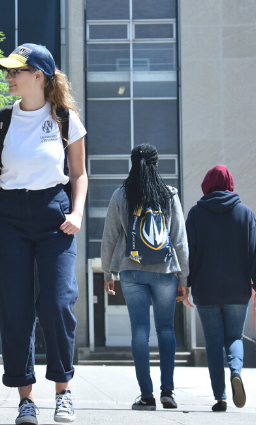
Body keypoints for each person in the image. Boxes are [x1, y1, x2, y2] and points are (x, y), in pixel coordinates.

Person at [0, 43, 88, 425]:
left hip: (55, 213)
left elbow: (80, 174)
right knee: (15, 309)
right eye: (8, 70)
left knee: (56, 303)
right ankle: (25, 399)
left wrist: (78, 211)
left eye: (16, 71)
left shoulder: (66, 119)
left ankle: (63, 391)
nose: (9, 76)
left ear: (38, 76)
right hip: (9, 217)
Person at [101, 143, 190, 411]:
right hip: (164, 272)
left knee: (139, 330)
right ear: (156, 164)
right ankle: (168, 393)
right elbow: (180, 240)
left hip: (131, 270)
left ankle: (146, 395)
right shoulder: (169, 194)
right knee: (165, 329)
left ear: (132, 163)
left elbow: (110, 236)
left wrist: (108, 271)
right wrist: (184, 279)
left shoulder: (121, 195)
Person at [186, 164, 256, 412]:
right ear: (230, 183)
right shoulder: (245, 214)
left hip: (206, 290)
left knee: (212, 341)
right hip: (237, 290)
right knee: (233, 337)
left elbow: (190, 253)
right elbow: (255, 254)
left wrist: (185, 285)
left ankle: (220, 397)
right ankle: (235, 372)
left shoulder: (195, 214)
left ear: (206, 184)